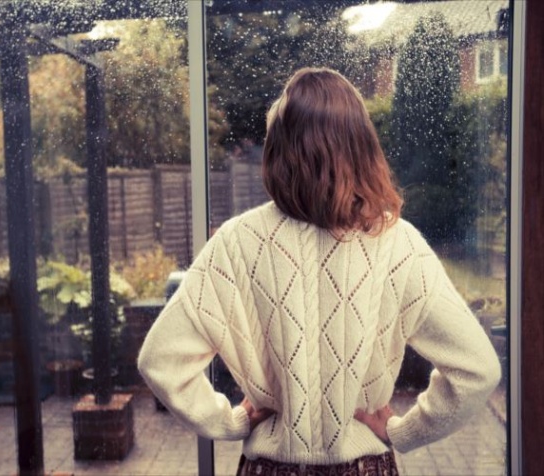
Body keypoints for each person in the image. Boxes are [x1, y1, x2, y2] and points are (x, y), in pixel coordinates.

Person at [137, 67, 501, 475]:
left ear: (279, 151)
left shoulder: (236, 242)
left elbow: (160, 361)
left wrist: (228, 420)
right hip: (366, 467)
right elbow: (478, 370)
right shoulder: (397, 243)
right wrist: (404, 431)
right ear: (362, 146)